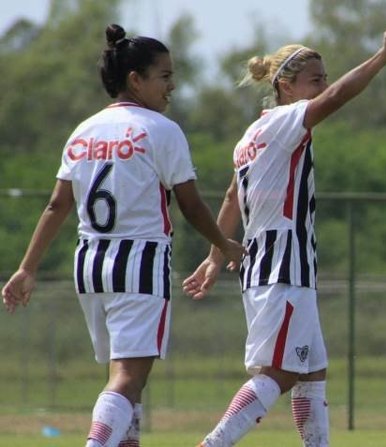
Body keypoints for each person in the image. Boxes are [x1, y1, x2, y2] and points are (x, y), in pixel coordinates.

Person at [1, 24, 244, 447]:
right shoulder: (162, 130)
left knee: (123, 378)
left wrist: (27, 267)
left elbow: (58, 205)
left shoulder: (83, 131)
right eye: (164, 76)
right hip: (140, 262)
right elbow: (190, 205)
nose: (172, 86)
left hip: (90, 264)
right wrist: (223, 245)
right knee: (128, 378)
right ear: (135, 79)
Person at [182, 9, 386, 447]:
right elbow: (340, 97)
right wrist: (382, 57)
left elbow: (233, 198)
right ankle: (213, 444)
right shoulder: (288, 121)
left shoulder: (251, 134)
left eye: (323, 77)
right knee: (281, 373)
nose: (322, 87)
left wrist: (214, 257)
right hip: (283, 268)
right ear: (285, 85)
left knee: (312, 371)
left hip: (269, 267)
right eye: (314, 79)